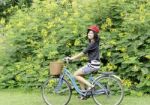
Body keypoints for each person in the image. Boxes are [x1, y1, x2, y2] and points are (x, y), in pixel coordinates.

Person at [66, 25, 100, 99]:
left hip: (93, 65)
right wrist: (74, 58)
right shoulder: (94, 43)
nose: (89, 34)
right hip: (93, 64)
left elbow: (82, 53)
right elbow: (85, 55)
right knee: (79, 75)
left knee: (75, 74)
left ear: (95, 34)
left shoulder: (92, 44)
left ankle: (91, 86)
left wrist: (71, 59)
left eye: (91, 33)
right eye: (88, 33)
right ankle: (84, 94)